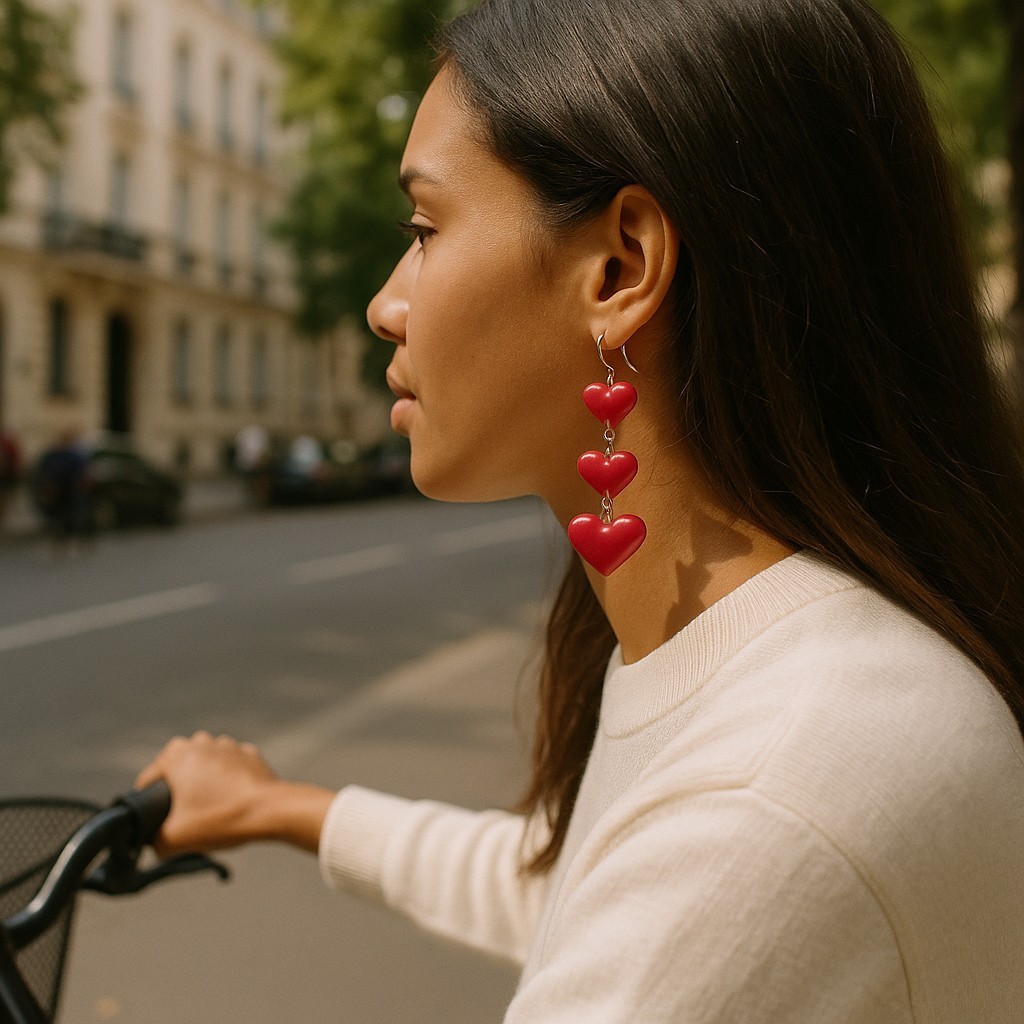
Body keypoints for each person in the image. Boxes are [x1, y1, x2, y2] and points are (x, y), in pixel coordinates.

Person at [136, 0, 1024, 1019]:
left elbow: (695, 877)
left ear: (619, 268)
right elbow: (591, 888)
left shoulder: (775, 789)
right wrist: (282, 808)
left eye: (425, 228)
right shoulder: (780, 676)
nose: (387, 301)